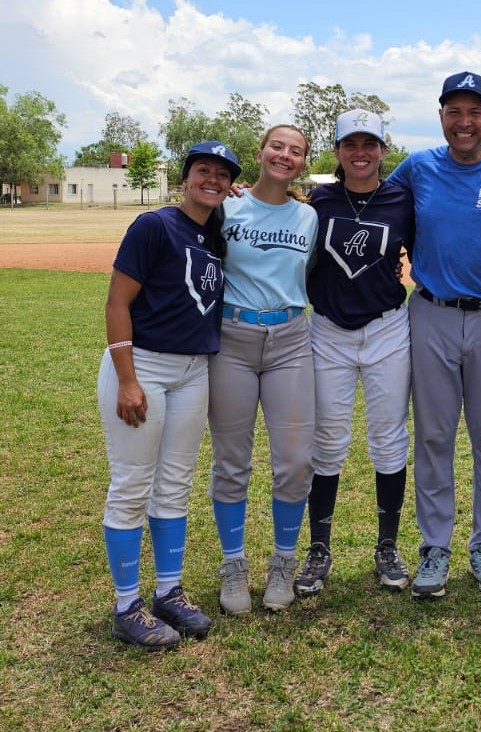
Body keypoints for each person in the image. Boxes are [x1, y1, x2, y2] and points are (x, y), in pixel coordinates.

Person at [388, 71, 481, 598]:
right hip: (430, 312)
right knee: (433, 434)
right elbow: (370, 204)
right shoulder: (418, 168)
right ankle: (434, 546)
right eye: (454, 111)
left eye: (475, 112)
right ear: (441, 118)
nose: (464, 121)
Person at [99, 141, 241, 650]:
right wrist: (128, 378)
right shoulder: (154, 226)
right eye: (204, 170)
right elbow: (117, 302)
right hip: (144, 365)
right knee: (132, 484)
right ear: (185, 177)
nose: (213, 179)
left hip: (193, 370)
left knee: (175, 484)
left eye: (223, 175)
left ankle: (168, 592)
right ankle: (125, 604)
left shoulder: (215, 234)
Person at [293, 109, 415, 596]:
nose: (360, 153)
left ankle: (387, 545)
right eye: (350, 144)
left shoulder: (403, 200)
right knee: (327, 440)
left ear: (383, 149)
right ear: (338, 151)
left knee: (388, 438)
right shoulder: (316, 201)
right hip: (327, 330)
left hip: (387, 328)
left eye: (370, 144)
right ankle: (319, 547)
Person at [208, 124, 318, 614]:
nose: (285, 155)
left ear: (301, 163)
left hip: (291, 340)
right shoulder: (224, 208)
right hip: (232, 338)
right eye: (277, 146)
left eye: (296, 151)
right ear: (261, 151)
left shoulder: (309, 217)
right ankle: (233, 565)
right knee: (232, 461)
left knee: (294, 460)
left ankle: (283, 562)